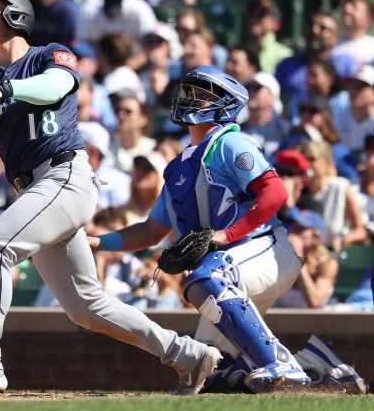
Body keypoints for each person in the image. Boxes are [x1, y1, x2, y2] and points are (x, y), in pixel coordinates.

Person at [0, 0, 222, 396]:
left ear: (17, 14)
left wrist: (4, 89)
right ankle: (188, 355)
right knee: (87, 307)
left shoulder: (49, 54)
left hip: (64, 176)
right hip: (33, 192)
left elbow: (56, 86)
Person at [88, 65, 365, 394]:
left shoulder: (231, 142)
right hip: (231, 269)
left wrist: (226, 235)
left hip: (267, 250)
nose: (191, 97)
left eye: (203, 93)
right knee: (214, 371)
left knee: (206, 277)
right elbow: (150, 230)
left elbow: (275, 192)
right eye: (190, 91)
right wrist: (96, 241)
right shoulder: (178, 166)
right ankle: (319, 364)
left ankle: (281, 362)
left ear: (226, 103)